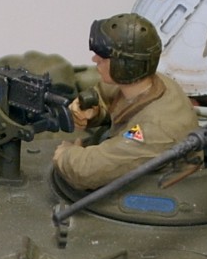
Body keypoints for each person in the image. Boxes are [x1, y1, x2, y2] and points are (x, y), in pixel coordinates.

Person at [53, 13, 199, 190]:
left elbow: (85, 171)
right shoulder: (143, 82)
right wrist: (95, 112)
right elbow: (105, 94)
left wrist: (66, 155)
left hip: (158, 193)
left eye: (103, 57)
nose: (95, 59)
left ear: (125, 67)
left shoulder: (156, 128)